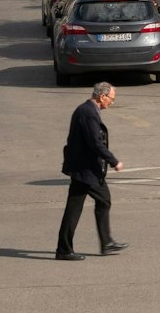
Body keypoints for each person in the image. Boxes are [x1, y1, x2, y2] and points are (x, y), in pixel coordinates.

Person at [55, 82, 126, 260]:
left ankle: (105, 243)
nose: (112, 102)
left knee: (100, 201)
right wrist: (114, 161)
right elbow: (95, 142)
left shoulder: (88, 110)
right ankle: (64, 250)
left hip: (86, 169)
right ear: (102, 96)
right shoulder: (87, 113)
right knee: (78, 208)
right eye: (111, 99)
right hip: (85, 170)